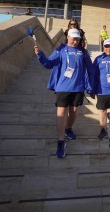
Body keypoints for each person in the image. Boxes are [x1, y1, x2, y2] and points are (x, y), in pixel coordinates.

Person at [34, 28, 93, 158]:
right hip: (62, 88)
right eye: (73, 38)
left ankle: (68, 129)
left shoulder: (83, 52)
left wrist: (92, 86)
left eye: (77, 39)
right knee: (61, 113)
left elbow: (91, 69)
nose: (75, 41)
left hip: (78, 88)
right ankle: (60, 141)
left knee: (74, 112)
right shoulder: (60, 50)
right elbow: (49, 64)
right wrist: (40, 55)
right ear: (68, 37)